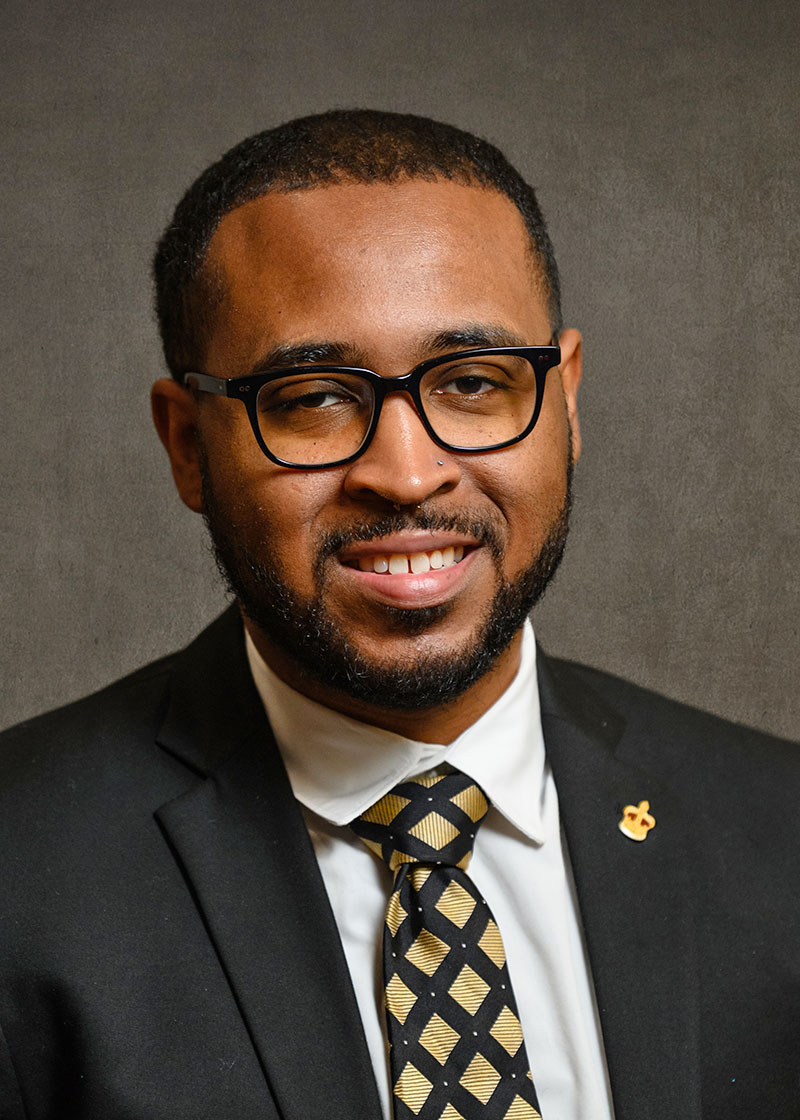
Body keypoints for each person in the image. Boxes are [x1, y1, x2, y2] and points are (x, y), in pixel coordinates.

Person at [0, 110, 796, 1120]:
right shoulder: (21, 875)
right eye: (313, 397)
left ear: (566, 402)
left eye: (471, 383)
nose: (406, 472)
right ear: (187, 445)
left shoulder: (778, 836)